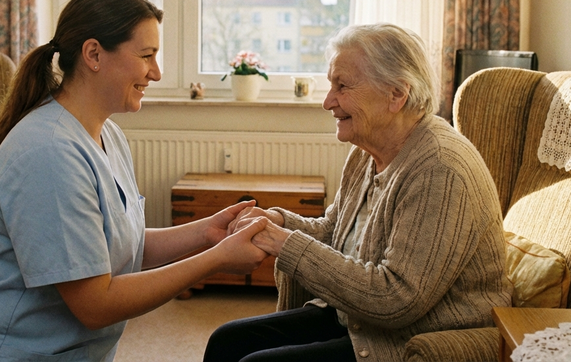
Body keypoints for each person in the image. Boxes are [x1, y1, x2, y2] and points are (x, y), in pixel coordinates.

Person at [0, 0, 269, 361]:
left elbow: (115, 247)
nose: (156, 73)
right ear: (94, 54)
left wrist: (206, 232)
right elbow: (95, 306)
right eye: (146, 55)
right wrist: (215, 260)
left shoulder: (106, 134)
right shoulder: (48, 153)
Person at [204, 23, 513, 362]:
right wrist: (277, 221)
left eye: (342, 86)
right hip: (358, 319)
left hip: (416, 337)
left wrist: (284, 244)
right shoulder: (367, 151)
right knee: (227, 341)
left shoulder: (440, 168)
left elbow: (396, 298)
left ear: (396, 94)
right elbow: (335, 231)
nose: (327, 102)